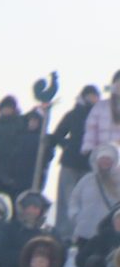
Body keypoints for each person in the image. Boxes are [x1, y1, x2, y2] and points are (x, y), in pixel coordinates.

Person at [48, 83, 100, 218]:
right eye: (90, 96)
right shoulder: (73, 114)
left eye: (94, 96)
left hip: (90, 166)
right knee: (67, 200)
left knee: (86, 202)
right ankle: (64, 235)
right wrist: (68, 144)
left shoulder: (101, 118)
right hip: (70, 163)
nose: (92, 98)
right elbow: (58, 134)